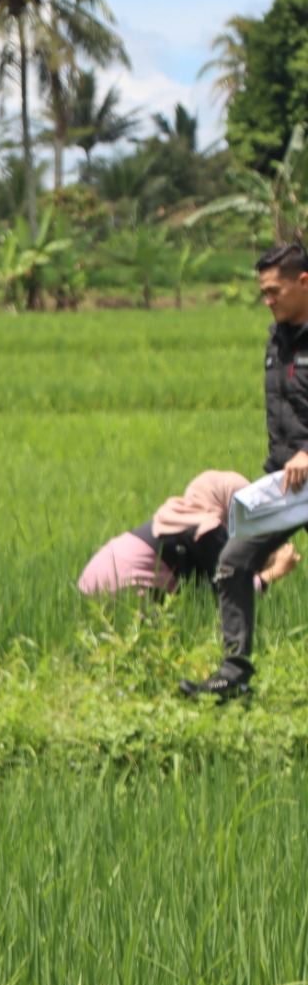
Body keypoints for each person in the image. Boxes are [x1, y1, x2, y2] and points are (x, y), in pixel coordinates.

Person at [184, 243, 308, 700]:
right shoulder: (277, 339)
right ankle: (233, 675)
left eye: (275, 291)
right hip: (286, 485)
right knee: (233, 562)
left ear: (304, 282)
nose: (267, 300)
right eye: (263, 293)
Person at [78, 469, 300, 598]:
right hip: (123, 591)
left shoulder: (180, 517)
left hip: (92, 583)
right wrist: (276, 571)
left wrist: (261, 557)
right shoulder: (205, 530)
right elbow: (232, 590)